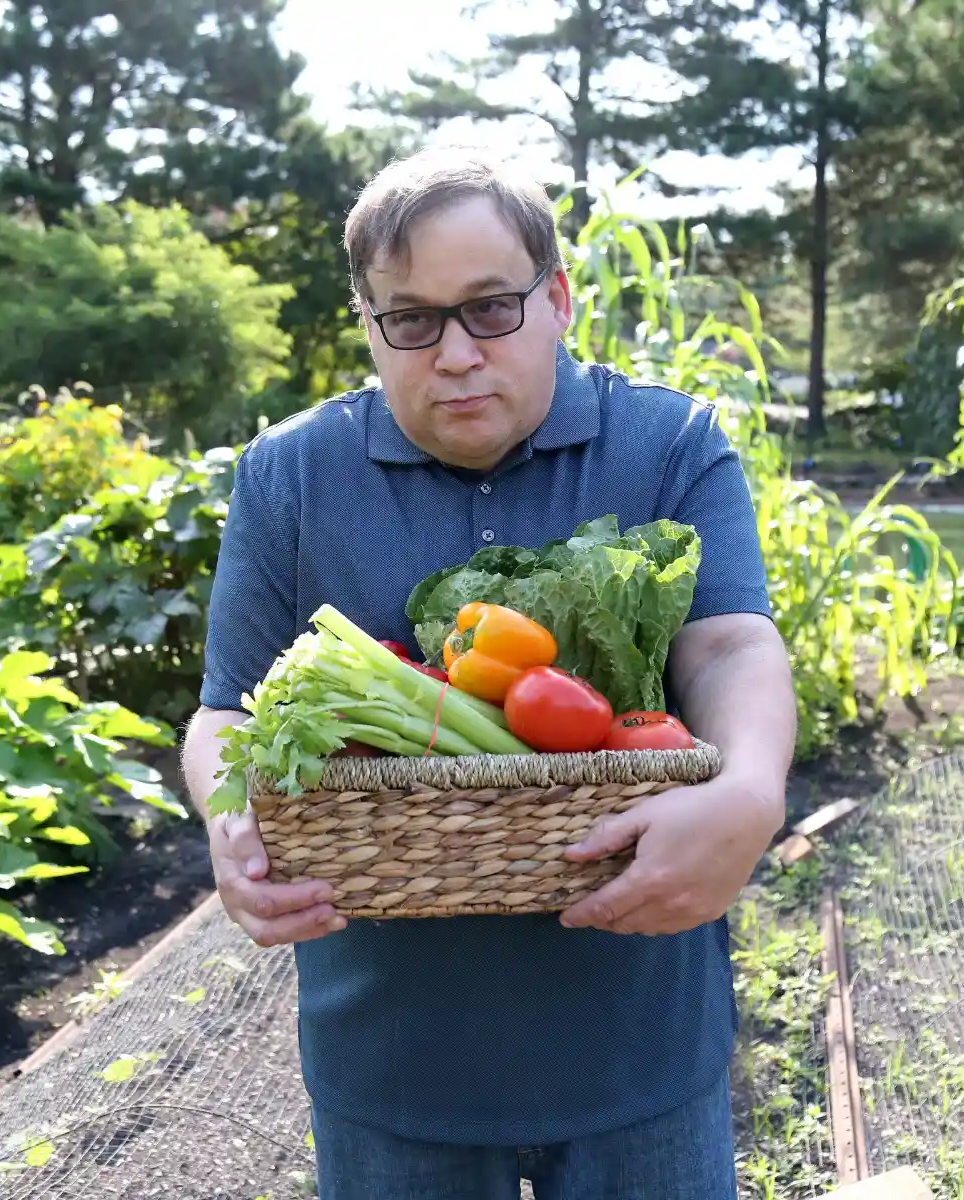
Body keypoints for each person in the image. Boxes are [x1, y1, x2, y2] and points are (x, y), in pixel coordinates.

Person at [180, 145, 796, 1200]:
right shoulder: (290, 473)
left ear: (556, 299)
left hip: (639, 1037)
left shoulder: (667, 441)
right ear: (369, 325)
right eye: (410, 320)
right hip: (390, 1057)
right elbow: (227, 712)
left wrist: (750, 790)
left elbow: (729, 643)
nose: (455, 353)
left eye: (491, 309)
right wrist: (229, 825)